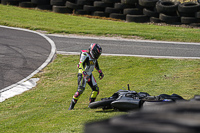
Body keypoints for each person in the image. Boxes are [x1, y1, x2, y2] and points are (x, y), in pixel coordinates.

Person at [68, 43, 104, 110]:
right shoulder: (85, 55)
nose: (97, 55)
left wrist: (99, 71)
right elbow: (80, 65)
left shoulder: (94, 58)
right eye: (96, 53)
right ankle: (71, 106)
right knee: (80, 90)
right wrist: (84, 73)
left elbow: (95, 63)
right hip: (82, 74)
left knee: (96, 89)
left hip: (89, 74)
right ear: (92, 51)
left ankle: (91, 105)